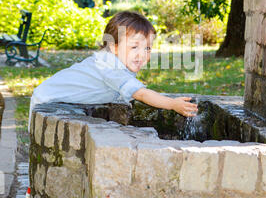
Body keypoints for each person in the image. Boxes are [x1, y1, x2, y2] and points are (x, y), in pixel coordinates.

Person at [28, 10, 198, 130]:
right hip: (45, 101)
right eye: (134, 47)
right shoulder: (109, 67)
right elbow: (141, 94)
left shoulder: (116, 61)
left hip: (55, 96)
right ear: (114, 47)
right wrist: (172, 104)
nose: (142, 55)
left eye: (147, 48)